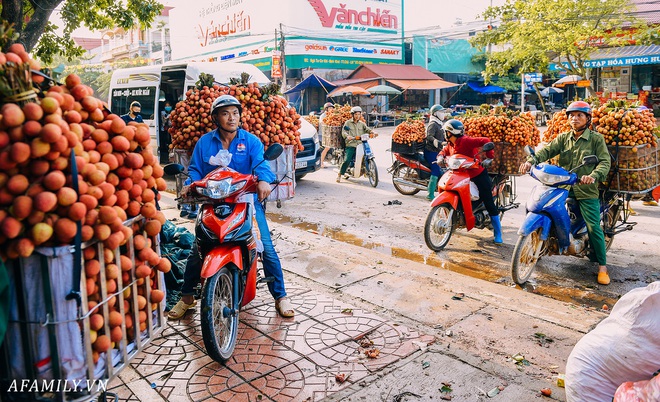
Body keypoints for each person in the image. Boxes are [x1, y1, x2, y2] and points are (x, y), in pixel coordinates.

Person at [168, 95, 294, 319]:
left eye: (235, 113)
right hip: (212, 202)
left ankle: (281, 297)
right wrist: (189, 185)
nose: (231, 118)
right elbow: (196, 170)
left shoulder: (251, 141)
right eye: (225, 113)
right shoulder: (205, 142)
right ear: (216, 117)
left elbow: (261, 164)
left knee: (266, 246)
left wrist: (263, 179)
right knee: (197, 248)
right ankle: (186, 297)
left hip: (246, 203)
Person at [519, 101, 612, 285]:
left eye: (579, 115)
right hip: (564, 187)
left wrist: (593, 175)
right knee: (543, 207)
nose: (574, 118)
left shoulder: (595, 139)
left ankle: (602, 267)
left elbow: (604, 162)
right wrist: (531, 161)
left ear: (587, 119)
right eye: (571, 115)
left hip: (586, 190)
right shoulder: (564, 138)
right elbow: (546, 150)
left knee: (594, 227)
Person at [438, 119, 502, 244]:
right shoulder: (451, 143)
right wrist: (440, 156)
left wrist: (489, 157)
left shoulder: (466, 141)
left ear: (450, 133)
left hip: (476, 174)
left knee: (488, 200)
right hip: (459, 174)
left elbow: (486, 141)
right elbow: (445, 150)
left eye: (445, 132)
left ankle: (498, 232)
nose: (444, 134)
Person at [337, 106, 376, 183]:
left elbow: (367, 129)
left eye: (359, 114)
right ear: (352, 114)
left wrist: (373, 132)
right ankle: (339, 174)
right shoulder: (348, 123)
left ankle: (368, 172)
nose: (357, 116)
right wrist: (348, 136)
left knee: (367, 156)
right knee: (347, 160)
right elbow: (344, 131)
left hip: (361, 144)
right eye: (356, 114)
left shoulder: (362, 123)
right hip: (351, 144)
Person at [424, 105, 446, 200]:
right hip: (431, 151)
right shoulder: (433, 124)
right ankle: (430, 195)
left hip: (438, 150)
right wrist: (435, 141)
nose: (443, 114)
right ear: (435, 113)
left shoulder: (440, 123)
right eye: (441, 112)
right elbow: (429, 136)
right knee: (436, 170)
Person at [319, 102, 335, 168]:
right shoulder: (323, 116)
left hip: (328, 134)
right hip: (323, 134)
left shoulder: (331, 115)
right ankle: (321, 163)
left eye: (332, 108)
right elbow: (322, 123)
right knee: (327, 148)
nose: (331, 109)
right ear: (326, 109)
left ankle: (333, 160)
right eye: (330, 108)